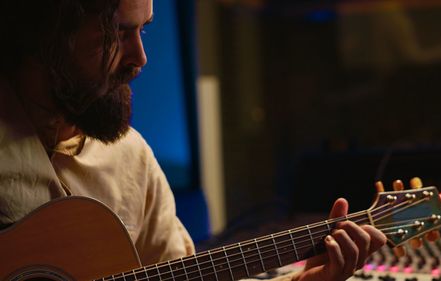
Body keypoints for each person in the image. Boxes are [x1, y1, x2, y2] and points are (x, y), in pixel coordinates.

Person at [0, 1, 388, 280]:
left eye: (144, 29)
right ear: (49, 37)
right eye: (118, 34)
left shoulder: (130, 158)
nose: (140, 57)